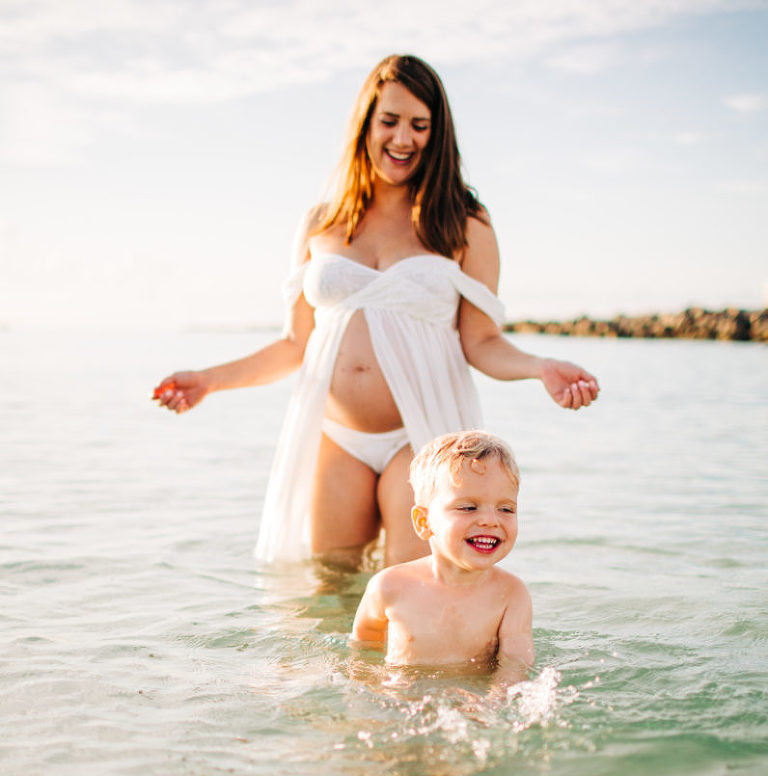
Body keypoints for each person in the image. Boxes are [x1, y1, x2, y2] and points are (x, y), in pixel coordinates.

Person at [154, 54, 599, 566]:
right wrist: (208, 381)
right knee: (329, 594)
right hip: (336, 435)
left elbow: (481, 342)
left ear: (439, 132)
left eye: (419, 125)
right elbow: (295, 345)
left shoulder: (463, 221)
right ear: (365, 123)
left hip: (423, 435)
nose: (403, 138)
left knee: (415, 592)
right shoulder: (322, 220)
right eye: (389, 121)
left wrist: (540, 368)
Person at [350, 430, 533, 686]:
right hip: (404, 698)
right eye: (468, 507)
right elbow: (363, 648)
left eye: (506, 509)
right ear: (424, 522)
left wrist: (494, 704)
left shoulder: (511, 594)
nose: (490, 521)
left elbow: (515, 665)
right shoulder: (389, 586)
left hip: (472, 702)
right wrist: (372, 691)